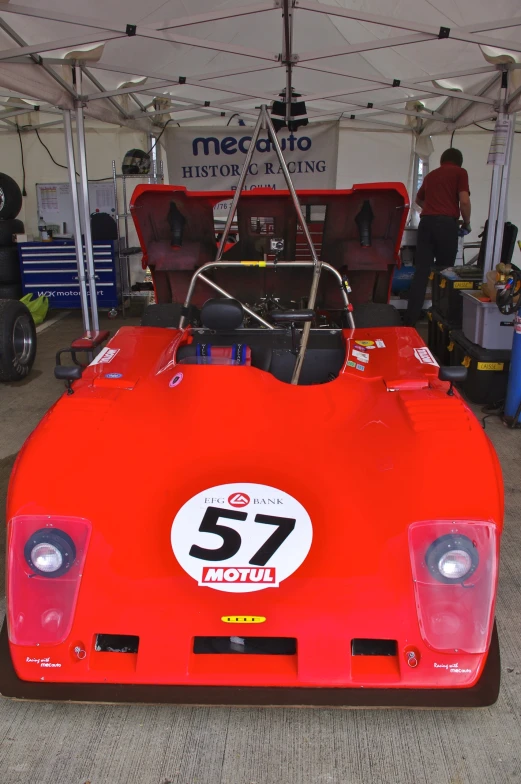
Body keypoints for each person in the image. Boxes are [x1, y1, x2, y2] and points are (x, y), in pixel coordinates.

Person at [404, 148, 471, 326]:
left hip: (426, 224)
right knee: (445, 273)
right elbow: (464, 201)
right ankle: (443, 318)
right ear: (459, 162)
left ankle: (410, 320)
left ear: (442, 160)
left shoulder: (431, 175)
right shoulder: (460, 172)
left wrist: (433, 208)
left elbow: (418, 201)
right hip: (446, 225)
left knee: (421, 272)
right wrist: (467, 222)